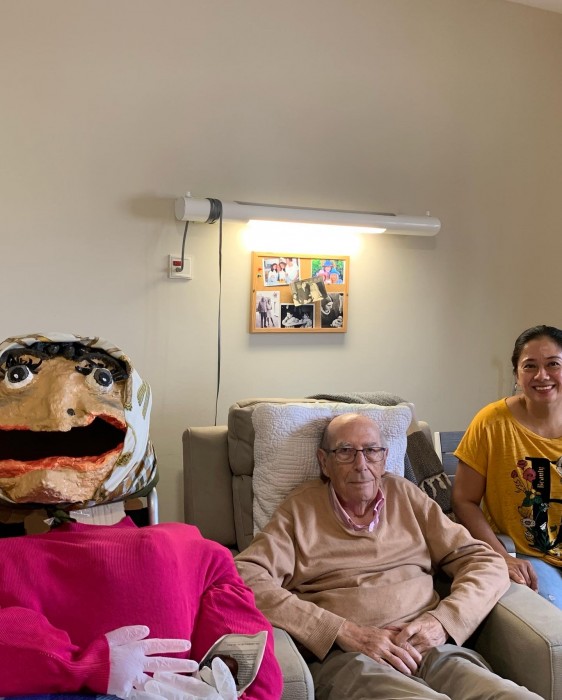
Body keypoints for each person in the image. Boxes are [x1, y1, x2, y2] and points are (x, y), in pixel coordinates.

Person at [0, 333, 282, 700]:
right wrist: (86, 666)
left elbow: (254, 674)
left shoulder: (196, 550)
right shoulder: (9, 558)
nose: (58, 411)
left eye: (101, 379)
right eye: (17, 377)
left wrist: (223, 685)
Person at [235, 413, 541, 700]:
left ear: (384, 459)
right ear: (324, 462)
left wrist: (442, 622)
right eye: (345, 452)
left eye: (371, 451)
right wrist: (339, 630)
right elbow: (244, 577)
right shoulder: (299, 510)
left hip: (430, 650)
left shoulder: (406, 495)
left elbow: (483, 561)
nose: (361, 464)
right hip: (352, 660)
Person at [453, 324, 562, 609]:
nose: (542, 375)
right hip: (528, 557)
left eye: (553, 364)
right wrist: (501, 555)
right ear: (516, 374)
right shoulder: (491, 422)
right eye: (530, 366)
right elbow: (463, 500)